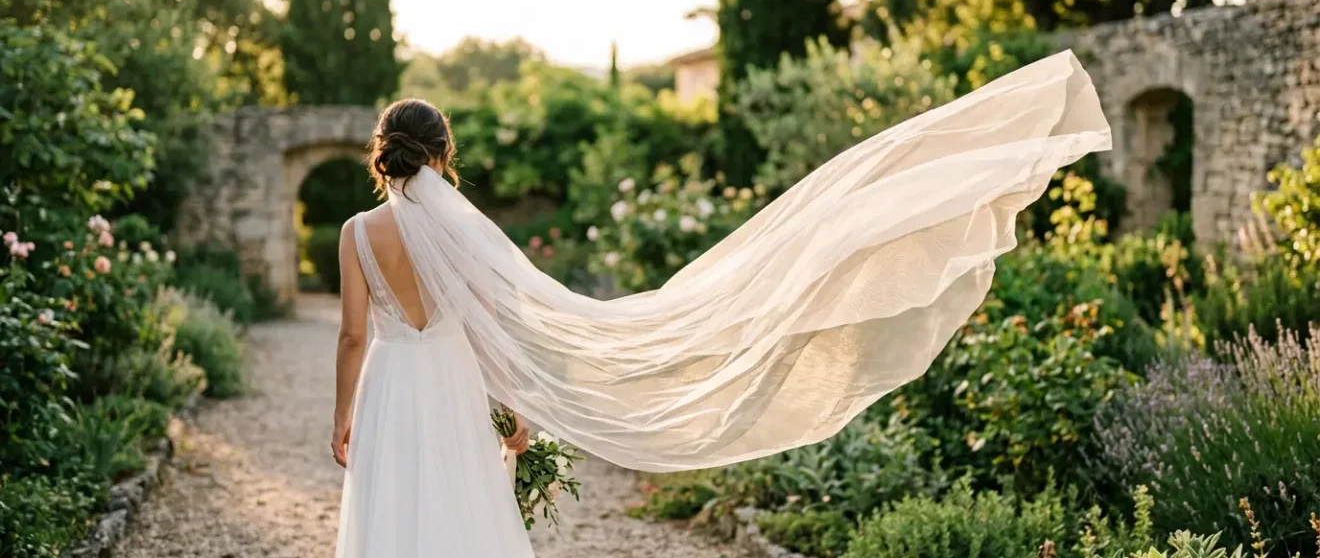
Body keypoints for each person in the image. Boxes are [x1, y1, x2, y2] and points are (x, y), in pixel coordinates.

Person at [331, 51, 1112, 556]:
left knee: (394, 507)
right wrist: (517, 409)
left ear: (383, 153)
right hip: (453, 385)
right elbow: (491, 329)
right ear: (443, 154)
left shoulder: (356, 234)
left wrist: (343, 417)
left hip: (392, 387)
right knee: (460, 510)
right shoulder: (464, 235)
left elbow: (352, 337)